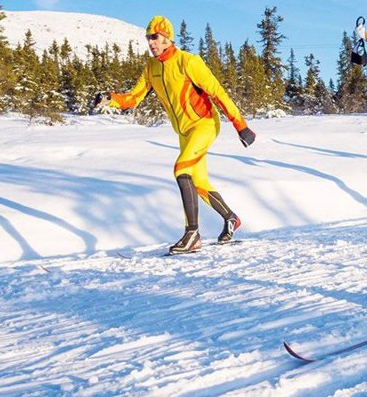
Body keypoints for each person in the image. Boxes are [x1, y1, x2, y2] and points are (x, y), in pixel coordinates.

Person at [106, 16, 256, 254]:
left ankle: (192, 234)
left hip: (204, 124)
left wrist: (241, 126)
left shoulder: (188, 62)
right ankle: (230, 218)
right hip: (184, 131)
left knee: (181, 169)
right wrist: (110, 99)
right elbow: (133, 98)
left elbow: (218, 93)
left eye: (155, 37)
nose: (151, 43)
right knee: (198, 183)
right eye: (148, 38)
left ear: (167, 38)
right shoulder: (152, 68)